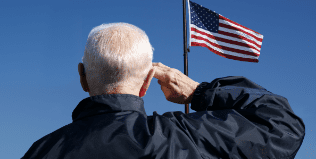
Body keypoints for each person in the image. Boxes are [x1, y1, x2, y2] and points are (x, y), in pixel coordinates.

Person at [21, 22, 305, 159]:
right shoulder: (181, 139)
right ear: (147, 83)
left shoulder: (40, 152)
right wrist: (200, 93)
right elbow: (282, 125)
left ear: (83, 78)